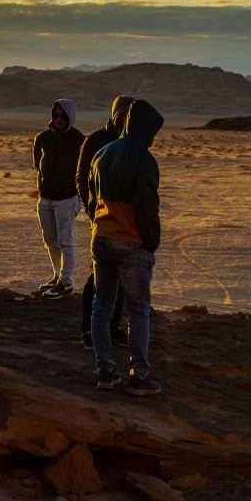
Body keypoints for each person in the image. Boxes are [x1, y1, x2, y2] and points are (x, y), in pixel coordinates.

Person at [87, 99, 164, 396]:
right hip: (131, 243)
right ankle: (139, 375)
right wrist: (151, 243)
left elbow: (93, 198)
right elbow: (147, 209)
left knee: (102, 305)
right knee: (138, 311)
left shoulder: (103, 153)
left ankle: (104, 370)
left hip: (101, 238)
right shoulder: (143, 160)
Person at [75, 95, 134, 349]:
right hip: (101, 216)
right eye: (123, 114)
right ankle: (88, 330)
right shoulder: (97, 140)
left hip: (126, 218)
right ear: (115, 114)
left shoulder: (132, 142)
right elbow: (81, 177)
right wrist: (91, 208)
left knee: (122, 272)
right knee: (97, 273)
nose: (127, 119)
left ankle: (112, 327)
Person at [33, 99, 85, 299]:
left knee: (65, 240)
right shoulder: (42, 138)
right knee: (50, 240)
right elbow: (38, 165)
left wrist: (78, 195)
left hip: (67, 198)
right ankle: (57, 276)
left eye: (63, 116)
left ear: (70, 117)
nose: (59, 119)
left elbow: (84, 170)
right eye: (55, 115)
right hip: (45, 197)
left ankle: (66, 282)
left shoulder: (79, 140)